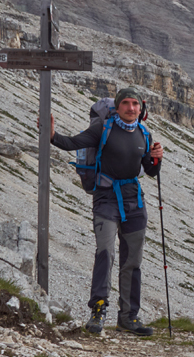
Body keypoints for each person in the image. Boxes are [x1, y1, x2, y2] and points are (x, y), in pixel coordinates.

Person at [45, 88, 163, 336]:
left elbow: (149, 171)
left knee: (133, 260)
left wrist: (156, 159)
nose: (131, 108)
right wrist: (52, 134)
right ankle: (98, 311)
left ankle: (128, 318)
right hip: (106, 198)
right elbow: (73, 143)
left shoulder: (144, 133)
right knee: (105, 253)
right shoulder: (103, 129)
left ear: (140, 109)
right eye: (126, 104)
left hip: (134, 201)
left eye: (135, 104)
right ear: (118, 106)